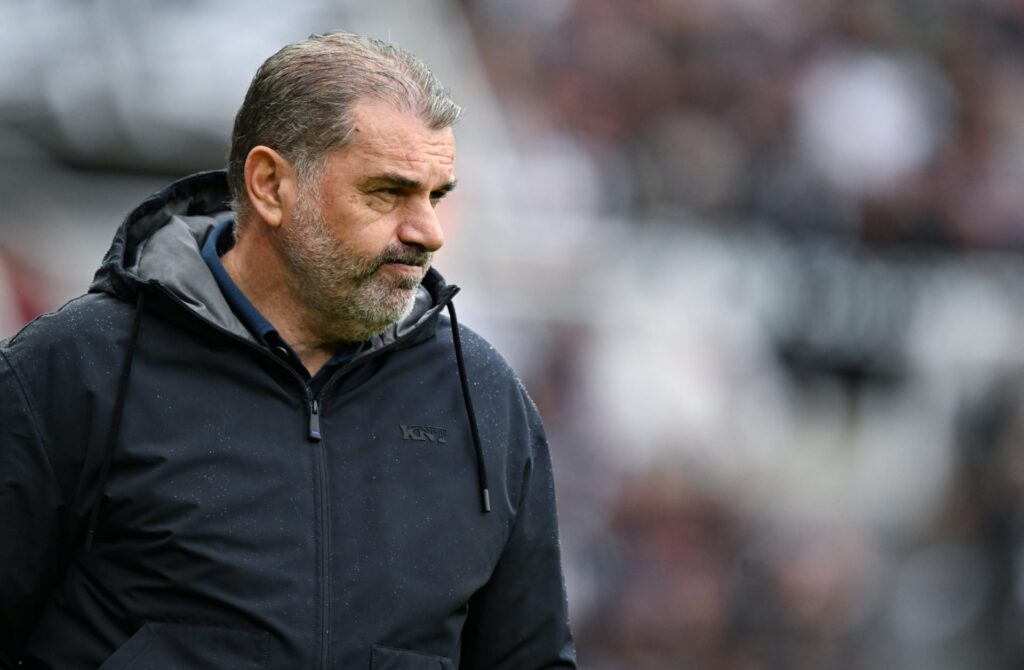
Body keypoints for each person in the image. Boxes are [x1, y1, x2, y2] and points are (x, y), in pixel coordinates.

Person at [0, 32, 577, 669]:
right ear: (271, 184)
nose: (429, 233)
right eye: (388, 192)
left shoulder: (485, 399)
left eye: (435, 195)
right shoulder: (73, 370)